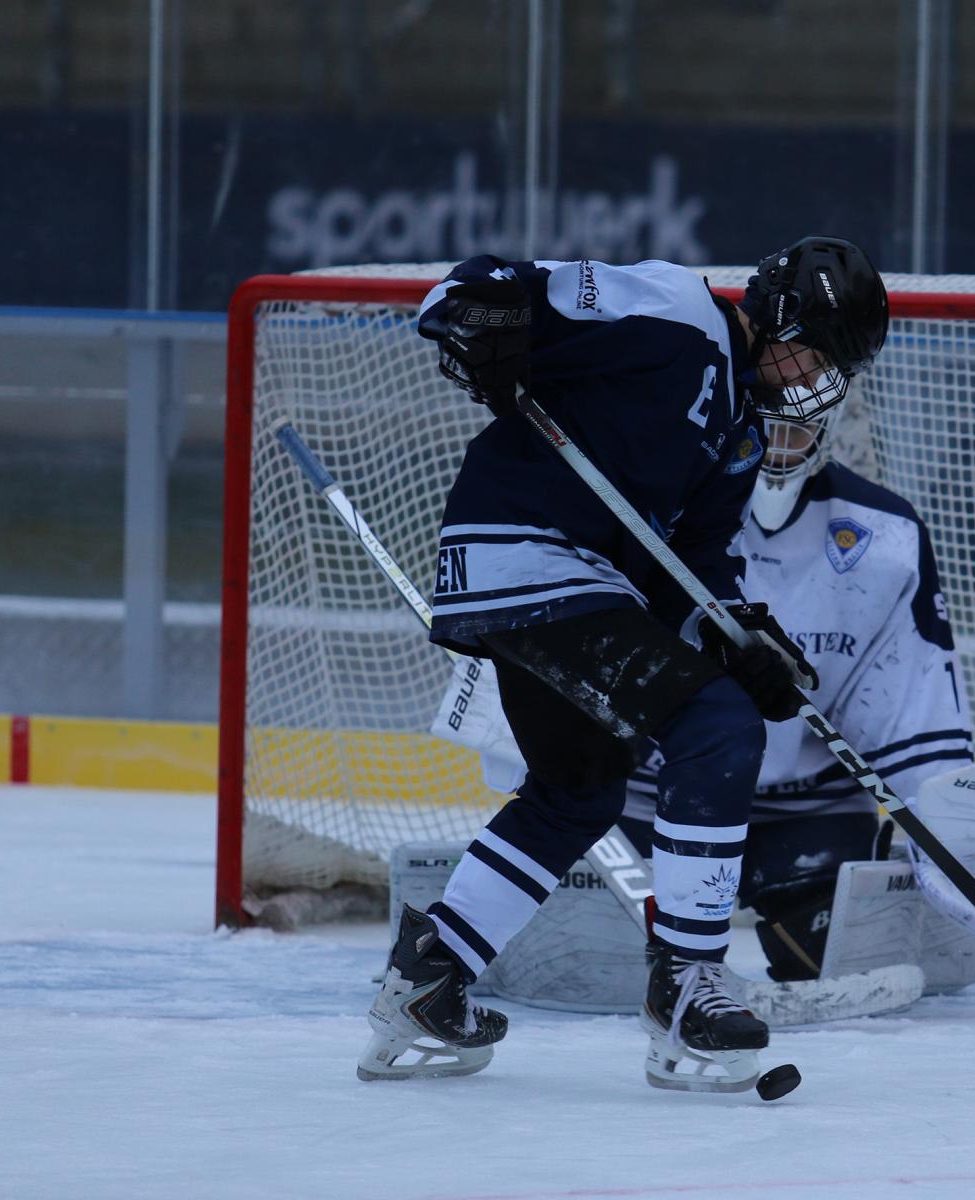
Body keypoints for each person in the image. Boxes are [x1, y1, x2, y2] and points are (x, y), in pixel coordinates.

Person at [358, 237, 889, 1093]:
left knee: (580, 792)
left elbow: (689, 569)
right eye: (815, 353)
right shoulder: (676, 309)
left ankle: (430, 976)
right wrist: (484, 323)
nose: (814, 379)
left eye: (832, 367)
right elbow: (488, 288)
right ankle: (686, 983)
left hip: (570, 584)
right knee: (716, 727)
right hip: (531, 555)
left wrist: (737, 636)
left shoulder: (742, 435)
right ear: (779, 317)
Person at [617, 399, 975, 980]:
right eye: (761, 421)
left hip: (809, 807)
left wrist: (966, 839)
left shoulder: (886, 534)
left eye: (796, 423)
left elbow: (914, 711)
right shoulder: (639, 503)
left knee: (840, 962)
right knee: (600, 969)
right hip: (651, 795)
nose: (774, 441)